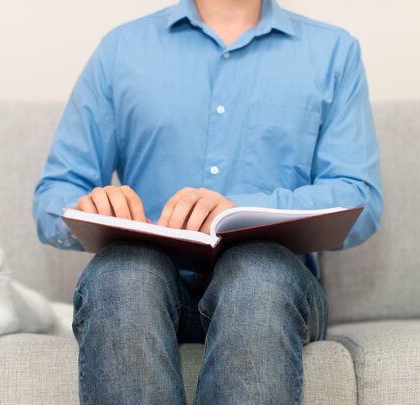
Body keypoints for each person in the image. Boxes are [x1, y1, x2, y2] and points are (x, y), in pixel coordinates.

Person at [32, 0, 383, 403]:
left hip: (276, 289)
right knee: (124, 272)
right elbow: (53, 194)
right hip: (147, 289)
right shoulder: (121, 49)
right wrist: (91, 206)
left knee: (257, 272)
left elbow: (360, 197)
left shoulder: (334, 51)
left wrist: (236, 208)